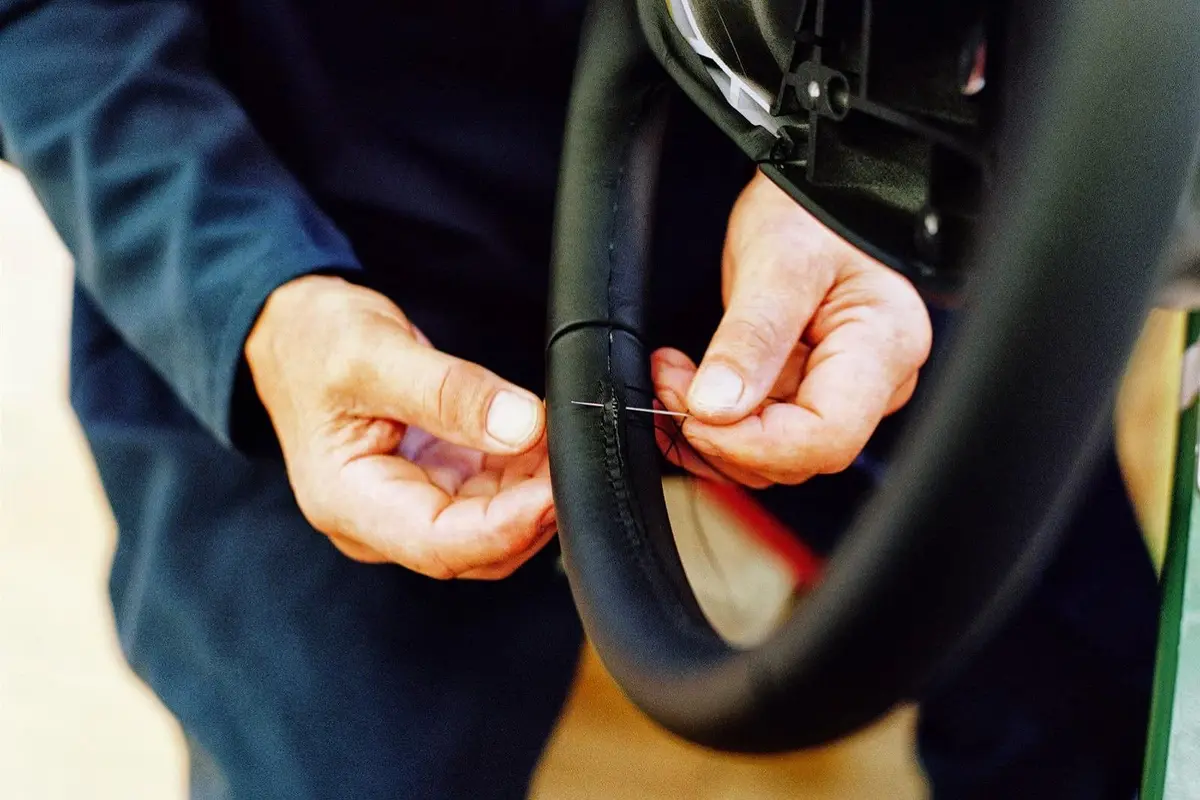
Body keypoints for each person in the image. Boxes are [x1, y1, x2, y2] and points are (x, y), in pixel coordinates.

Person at [0, 1, 1159, 797]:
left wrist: (877, 150)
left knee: (1086, 675)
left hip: (792, 153)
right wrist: (252, 301)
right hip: (290, 211)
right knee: (324, 760)